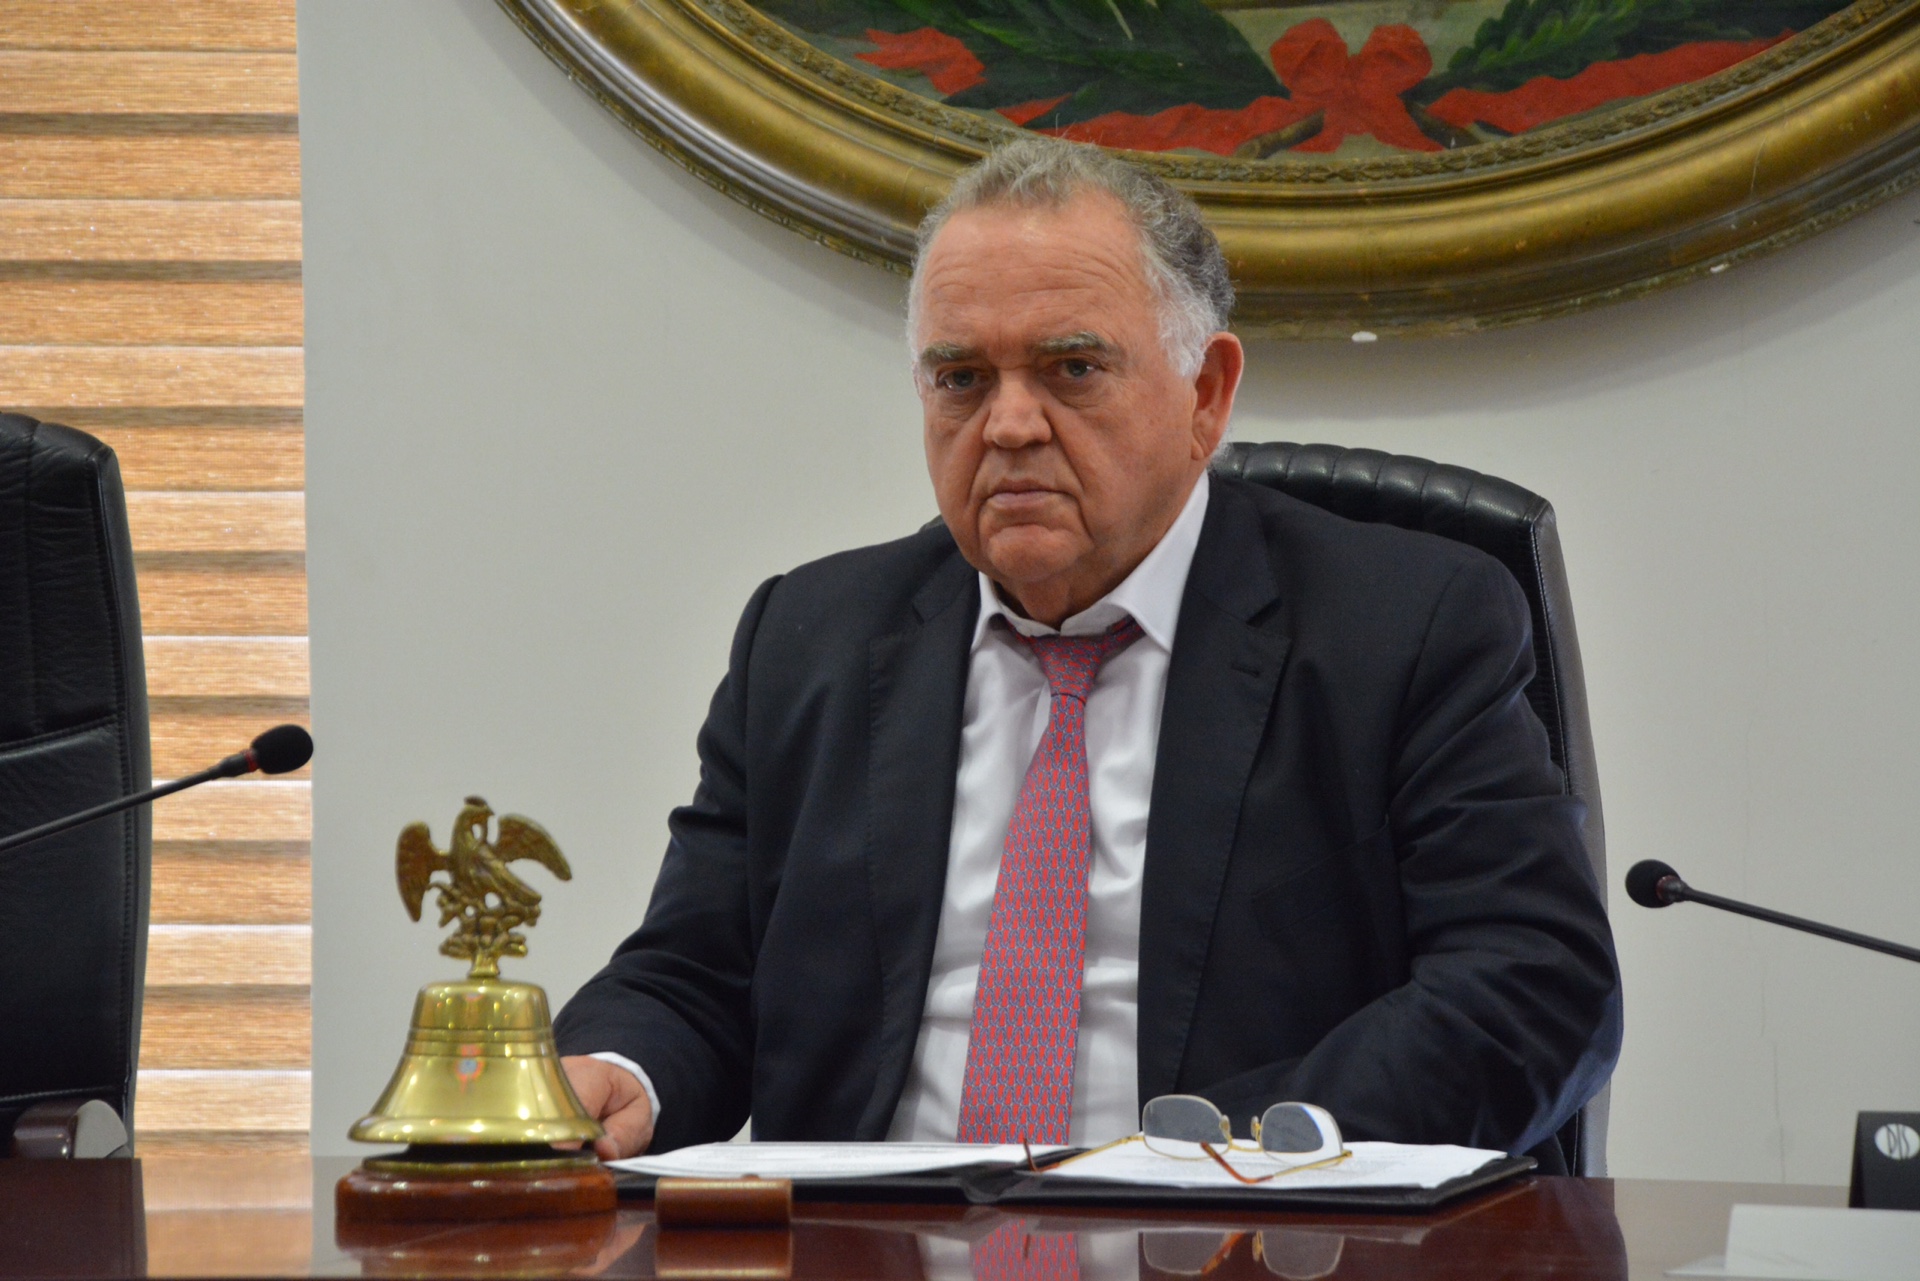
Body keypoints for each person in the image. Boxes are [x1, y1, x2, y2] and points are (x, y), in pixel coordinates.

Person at [554, 137, 1620, 1170]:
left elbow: (1530, 980)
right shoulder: (810, 640)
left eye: (1072, 368)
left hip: (1232, 1237)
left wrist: (1217, 1164)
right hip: (869, 1243)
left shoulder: (1402, 627)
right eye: (961, 378)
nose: (1010, 425)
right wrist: (615, 1070)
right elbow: (697, 976)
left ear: (1205, 394)